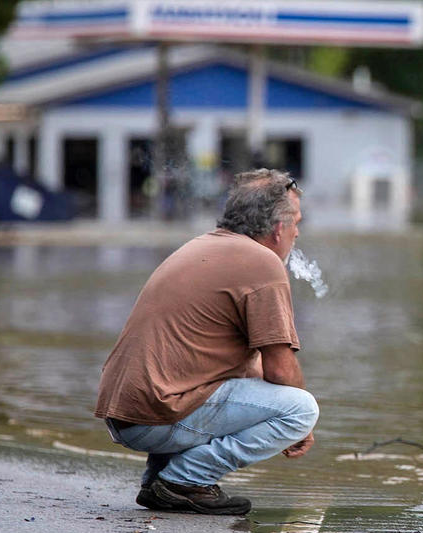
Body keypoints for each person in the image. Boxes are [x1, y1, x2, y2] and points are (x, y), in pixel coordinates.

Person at [95, 169, 318, 515]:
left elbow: (253, 366)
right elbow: (280, 368)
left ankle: (160, 481)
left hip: (127, 412)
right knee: (301, 408)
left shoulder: (204, 245)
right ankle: (184, 481)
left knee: (235, 380)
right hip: (153, 415)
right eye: (296, 222)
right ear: (277, 229)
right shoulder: (262, 263)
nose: (297, 232)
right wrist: (302, 428)